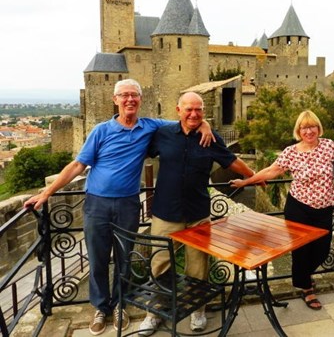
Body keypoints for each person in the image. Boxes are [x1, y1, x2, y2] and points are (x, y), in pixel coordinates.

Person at [23, 79, 213, 336]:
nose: (129, 100)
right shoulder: (101, 131)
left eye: (134, 95)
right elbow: (78, 166)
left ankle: (121, 305)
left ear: (140, 100)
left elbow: (185, 120)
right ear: (116, 100)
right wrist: (46, 193)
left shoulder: (149, 127)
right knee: (98, 258)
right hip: (97, 204)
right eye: (124, 95)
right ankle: (101, 308)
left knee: (124, 260)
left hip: (127, 204)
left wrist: (204, 123)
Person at [138, 92, 255, 336]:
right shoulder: (163, 134)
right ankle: (154, 313)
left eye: (198, 110)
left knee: (198, 266)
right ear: (177, 110)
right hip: (165, 212)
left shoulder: (211, 138)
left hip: (197, 213)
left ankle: (198, 311)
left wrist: (254, 176)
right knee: (160, 263)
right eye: (188, 109)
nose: (193, 114)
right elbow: (138, 146)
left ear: (203, 112)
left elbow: (231, 161)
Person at [230, 110, 334, 310]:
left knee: (322, 251)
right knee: (301, 251)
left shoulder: (328, 145)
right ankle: (306, 288)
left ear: (318, 128)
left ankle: (304, 276)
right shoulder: (291, 152)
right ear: (299, 130)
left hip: (324, 207)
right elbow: (271, 170)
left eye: (312, 126)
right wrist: (246, 181)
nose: (309, 131)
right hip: (299, 207)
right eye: (304, 127)